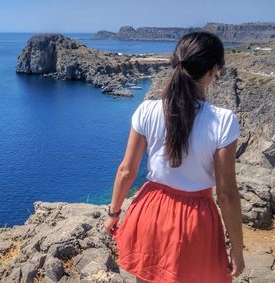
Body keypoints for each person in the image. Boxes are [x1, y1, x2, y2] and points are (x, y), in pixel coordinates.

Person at [104, 31, 245, 283]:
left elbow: (127, 169)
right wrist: (237, 247)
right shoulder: (224, 121)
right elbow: (226, 194)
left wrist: (114, 213)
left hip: (148, 212)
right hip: (194, 222)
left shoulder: (146, 110)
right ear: (214, 70)